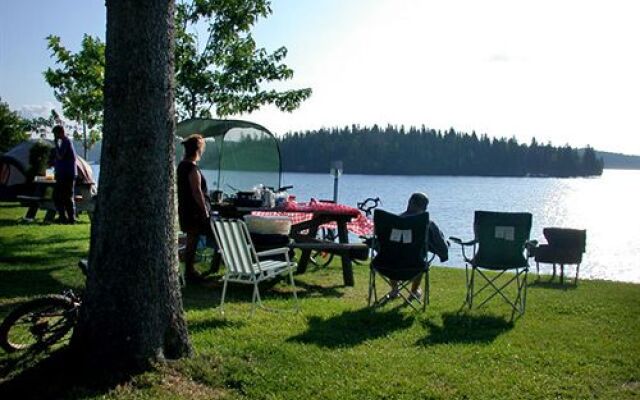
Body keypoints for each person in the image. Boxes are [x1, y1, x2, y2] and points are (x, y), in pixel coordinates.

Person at [393, 192, 448, 301]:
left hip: (388, 264)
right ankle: (414, 291)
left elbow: (380, 244)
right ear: (425, 207)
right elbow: (441, 246)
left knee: (392, 254)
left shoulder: (392, 221)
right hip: (415, 266)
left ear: (409, 203)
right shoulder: (427, 223)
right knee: (420, 259)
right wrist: (444, 253)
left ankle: (395, 289)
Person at [177, 134, 215, 283]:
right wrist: (204, 210)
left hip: (185, 208)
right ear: (197, 150)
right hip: (193, 211)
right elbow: (196, 191)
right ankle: (190, 271)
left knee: (191, 240)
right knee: (193, 240)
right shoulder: (192, 168)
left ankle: (190, 270)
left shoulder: (181, 166)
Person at [52, 125, 77, 224]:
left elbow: (60, 156)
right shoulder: (64, 142)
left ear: (60, 132)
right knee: (58, 196)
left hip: (66, 173)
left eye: (55, 134)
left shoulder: (66, 142)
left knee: (66, 196)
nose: (55, 136)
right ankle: (63, 217)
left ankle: (70, 218)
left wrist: (56, 145)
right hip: (62, 173)